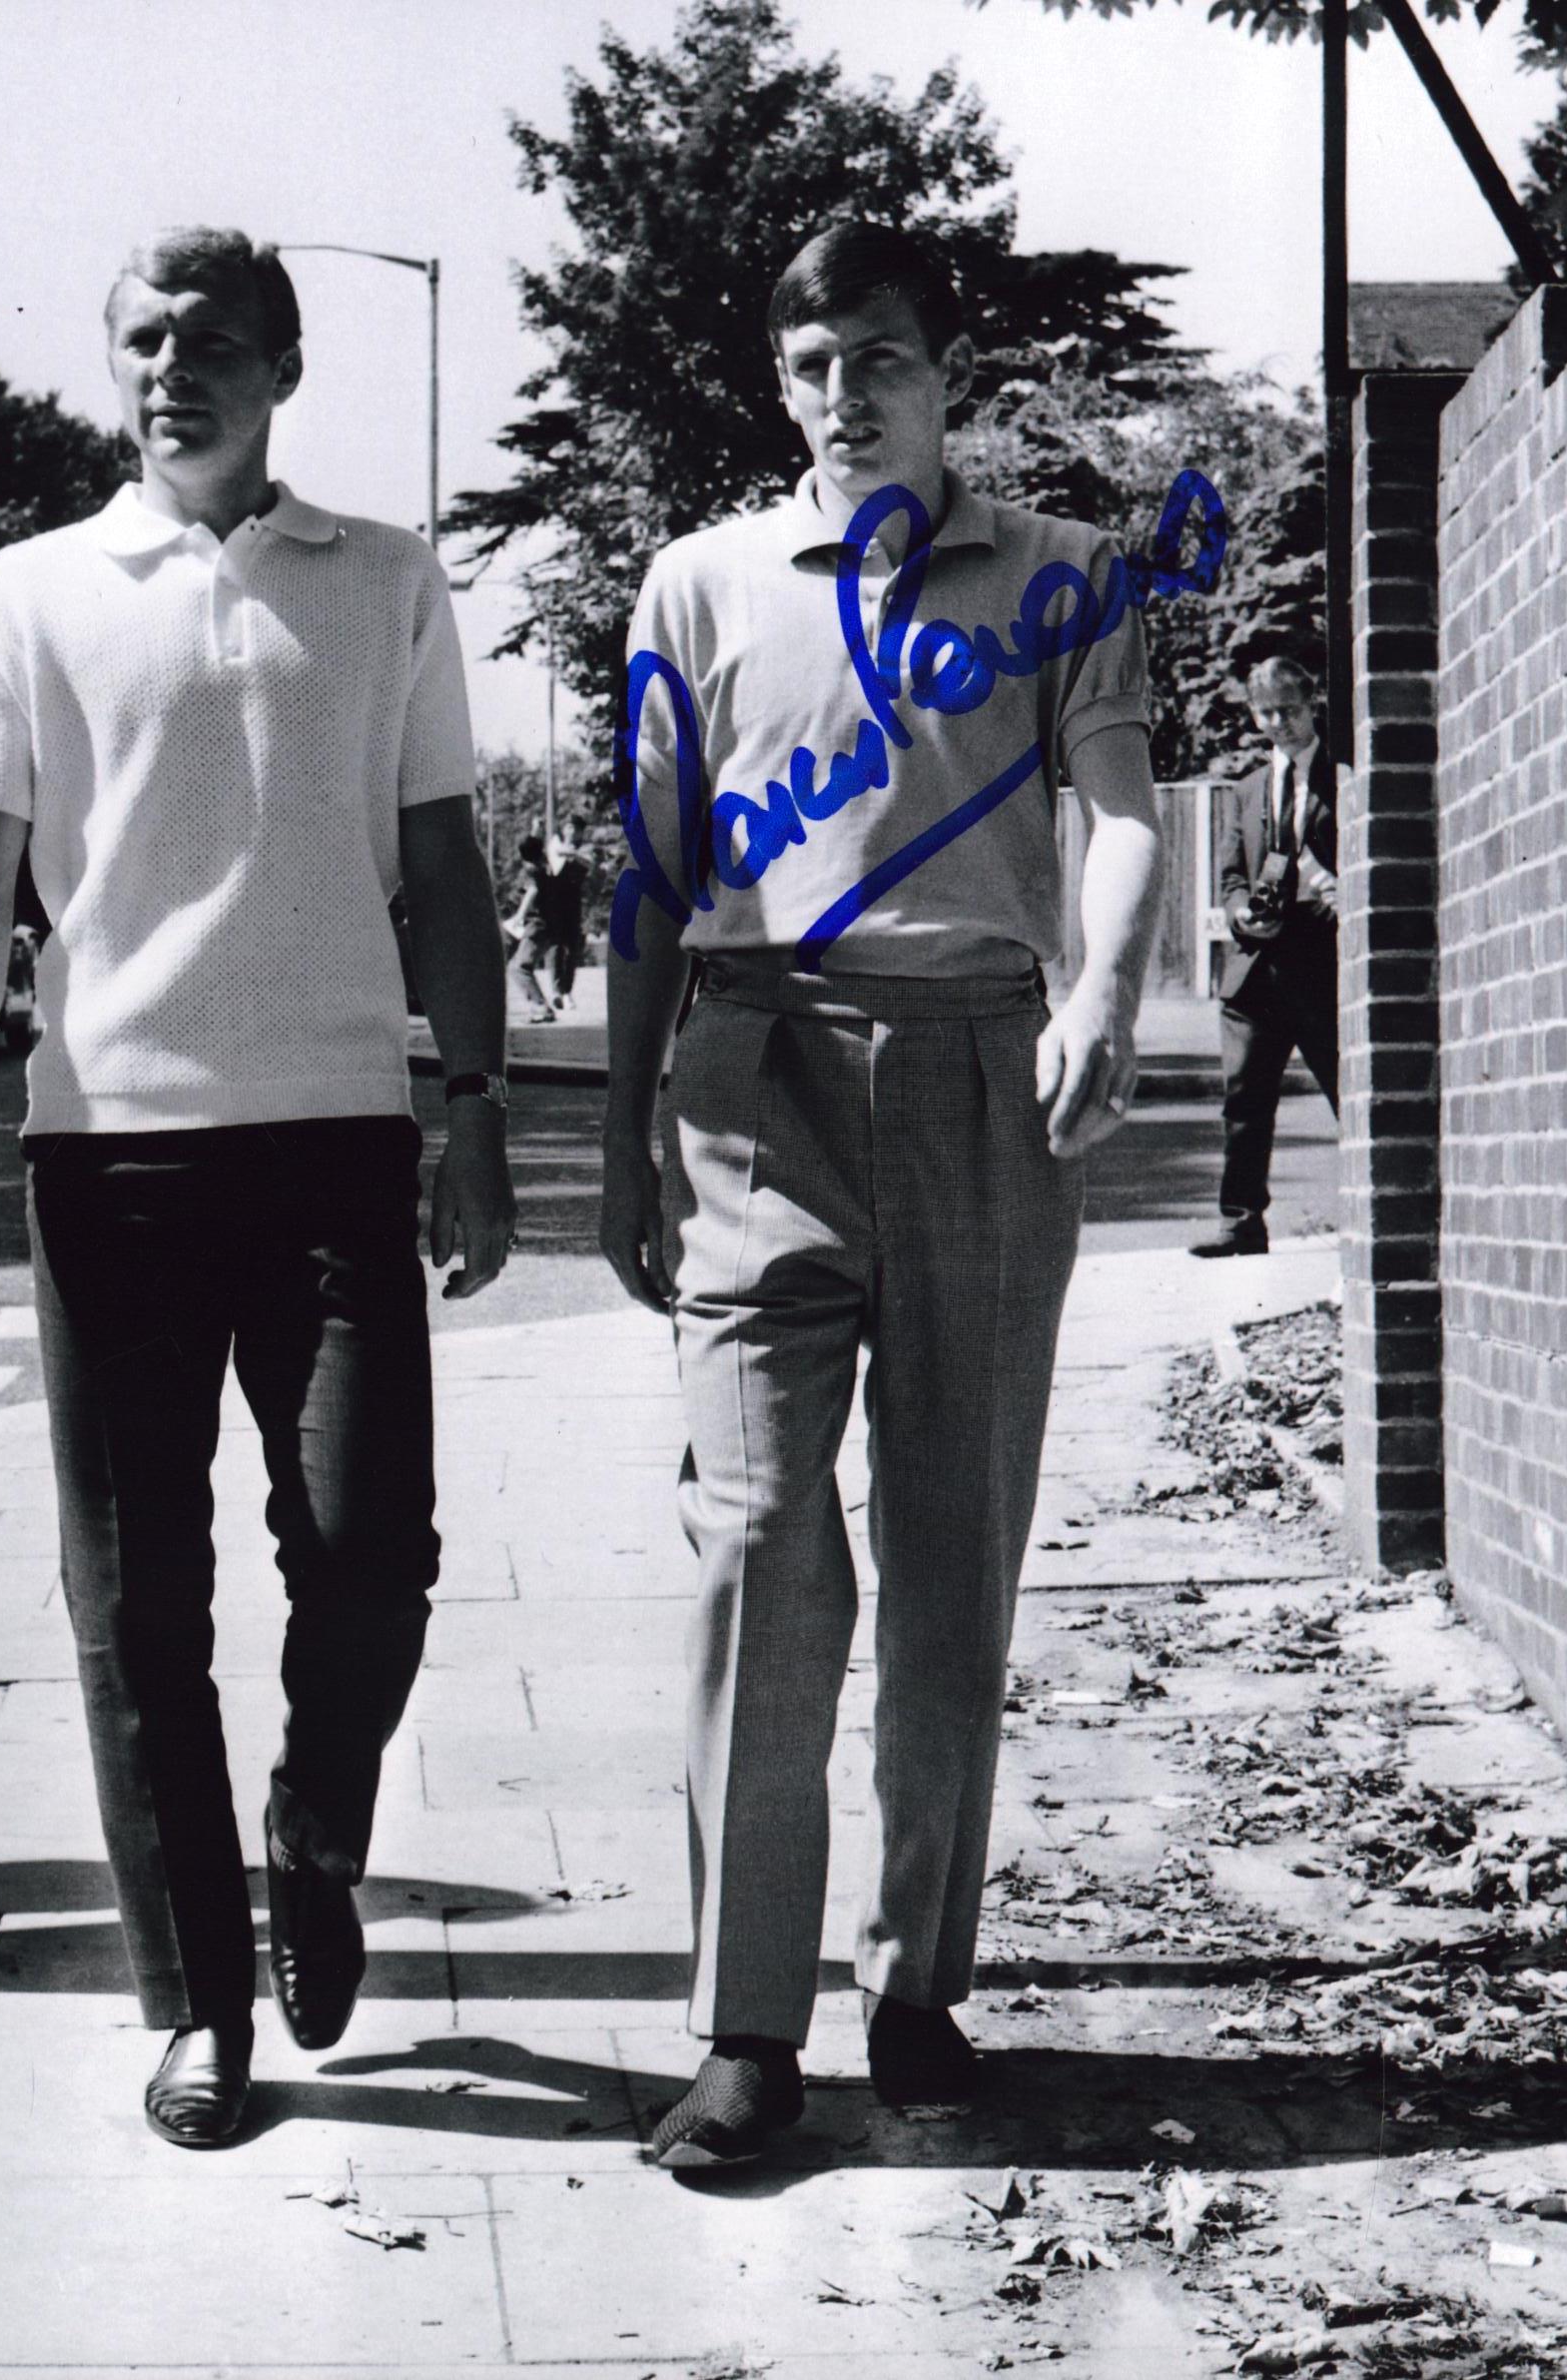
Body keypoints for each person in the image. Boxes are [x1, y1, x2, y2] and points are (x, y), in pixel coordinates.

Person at [0, 227, 514, 2150]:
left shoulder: (386, 580)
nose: (176, 368)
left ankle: (314, 1826)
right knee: (132, 1598)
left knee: (370, 1547)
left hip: (338, 1135)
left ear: (285, 365)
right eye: (143, 338)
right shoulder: (32, 589)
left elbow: (443, 864)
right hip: (114, 1153)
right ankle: (197, 2002)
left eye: (214, 340)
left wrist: (478, 1102)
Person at [596, 220, 1168, 2170]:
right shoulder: (699, 585)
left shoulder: (1066, 577)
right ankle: (745, 2027)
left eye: (890, 359)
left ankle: (917, 1982)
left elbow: (1122, 807)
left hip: (976, 1083)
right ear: (783, 382)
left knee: (949, 1548)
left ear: (950, 376)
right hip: (753, 1083)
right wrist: (611, 1136)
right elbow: (656, 882)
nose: (854, 393)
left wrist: (1104, 988)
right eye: (821, 360)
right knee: (763, 1543)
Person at [1193, 654, 1340, 1258]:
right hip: (1255, 967)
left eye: (1291, 710)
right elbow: (1231, 876)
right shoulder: (1249, 788)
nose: (1279, 723)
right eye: (1267, 712)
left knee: (1348, 1091)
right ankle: (1240, 1225)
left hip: (1322, 955)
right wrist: (1237, 912)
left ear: (1313, 704)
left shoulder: (1345, 775)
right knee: (1244, 1100)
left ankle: (1371, 1214)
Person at [512, 830, 591, 1021]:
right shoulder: (546, 870)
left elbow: (532, 890)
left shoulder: (531, 871)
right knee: (521, 967)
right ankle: (541, 1007)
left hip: (537, 926)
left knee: (519, 968)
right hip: (549, 928)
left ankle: (541, 1008)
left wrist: (520, 915)